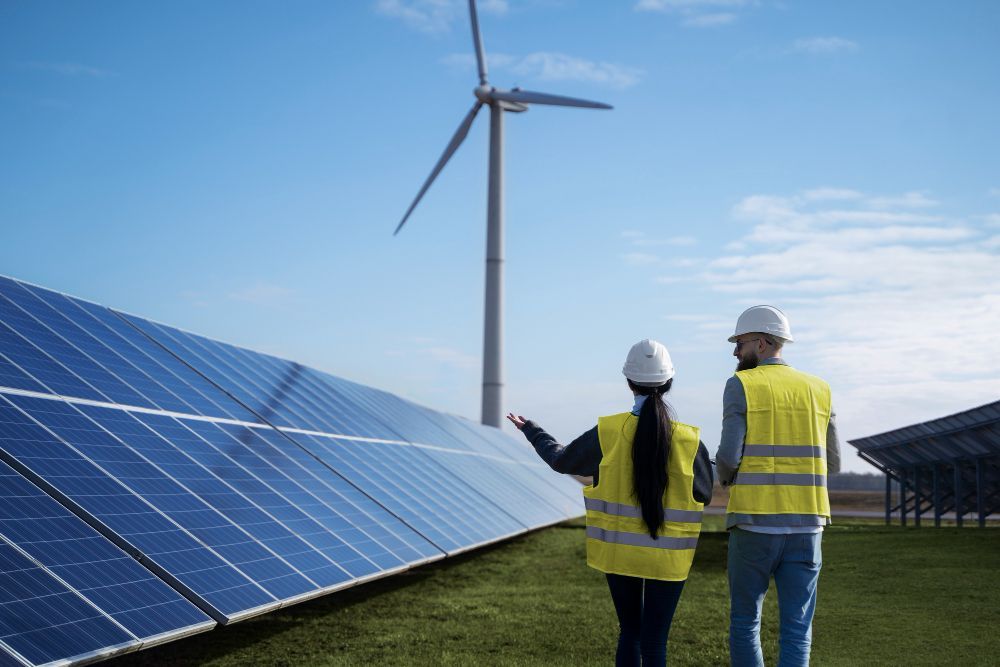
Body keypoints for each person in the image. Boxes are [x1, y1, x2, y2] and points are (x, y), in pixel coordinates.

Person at [507, 339, 713, 667]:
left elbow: (562, 461)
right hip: (670, 558)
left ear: (628, 382)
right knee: (655, 640)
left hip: (620, 554)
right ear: (669, 382)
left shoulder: (608, 431)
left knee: (630, 632)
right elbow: (703, 491)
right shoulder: (689, 440)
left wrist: (532, 431)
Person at [716, 305, 840, 667]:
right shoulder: (820, 389)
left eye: (739, 343)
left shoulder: (741, 384)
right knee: (798, 627)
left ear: (762, 342)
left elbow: (727, 455)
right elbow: (831, 463)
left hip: (754, 522)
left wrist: (725, 480)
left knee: (745, 621)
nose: (736, 352)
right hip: (808, 526)